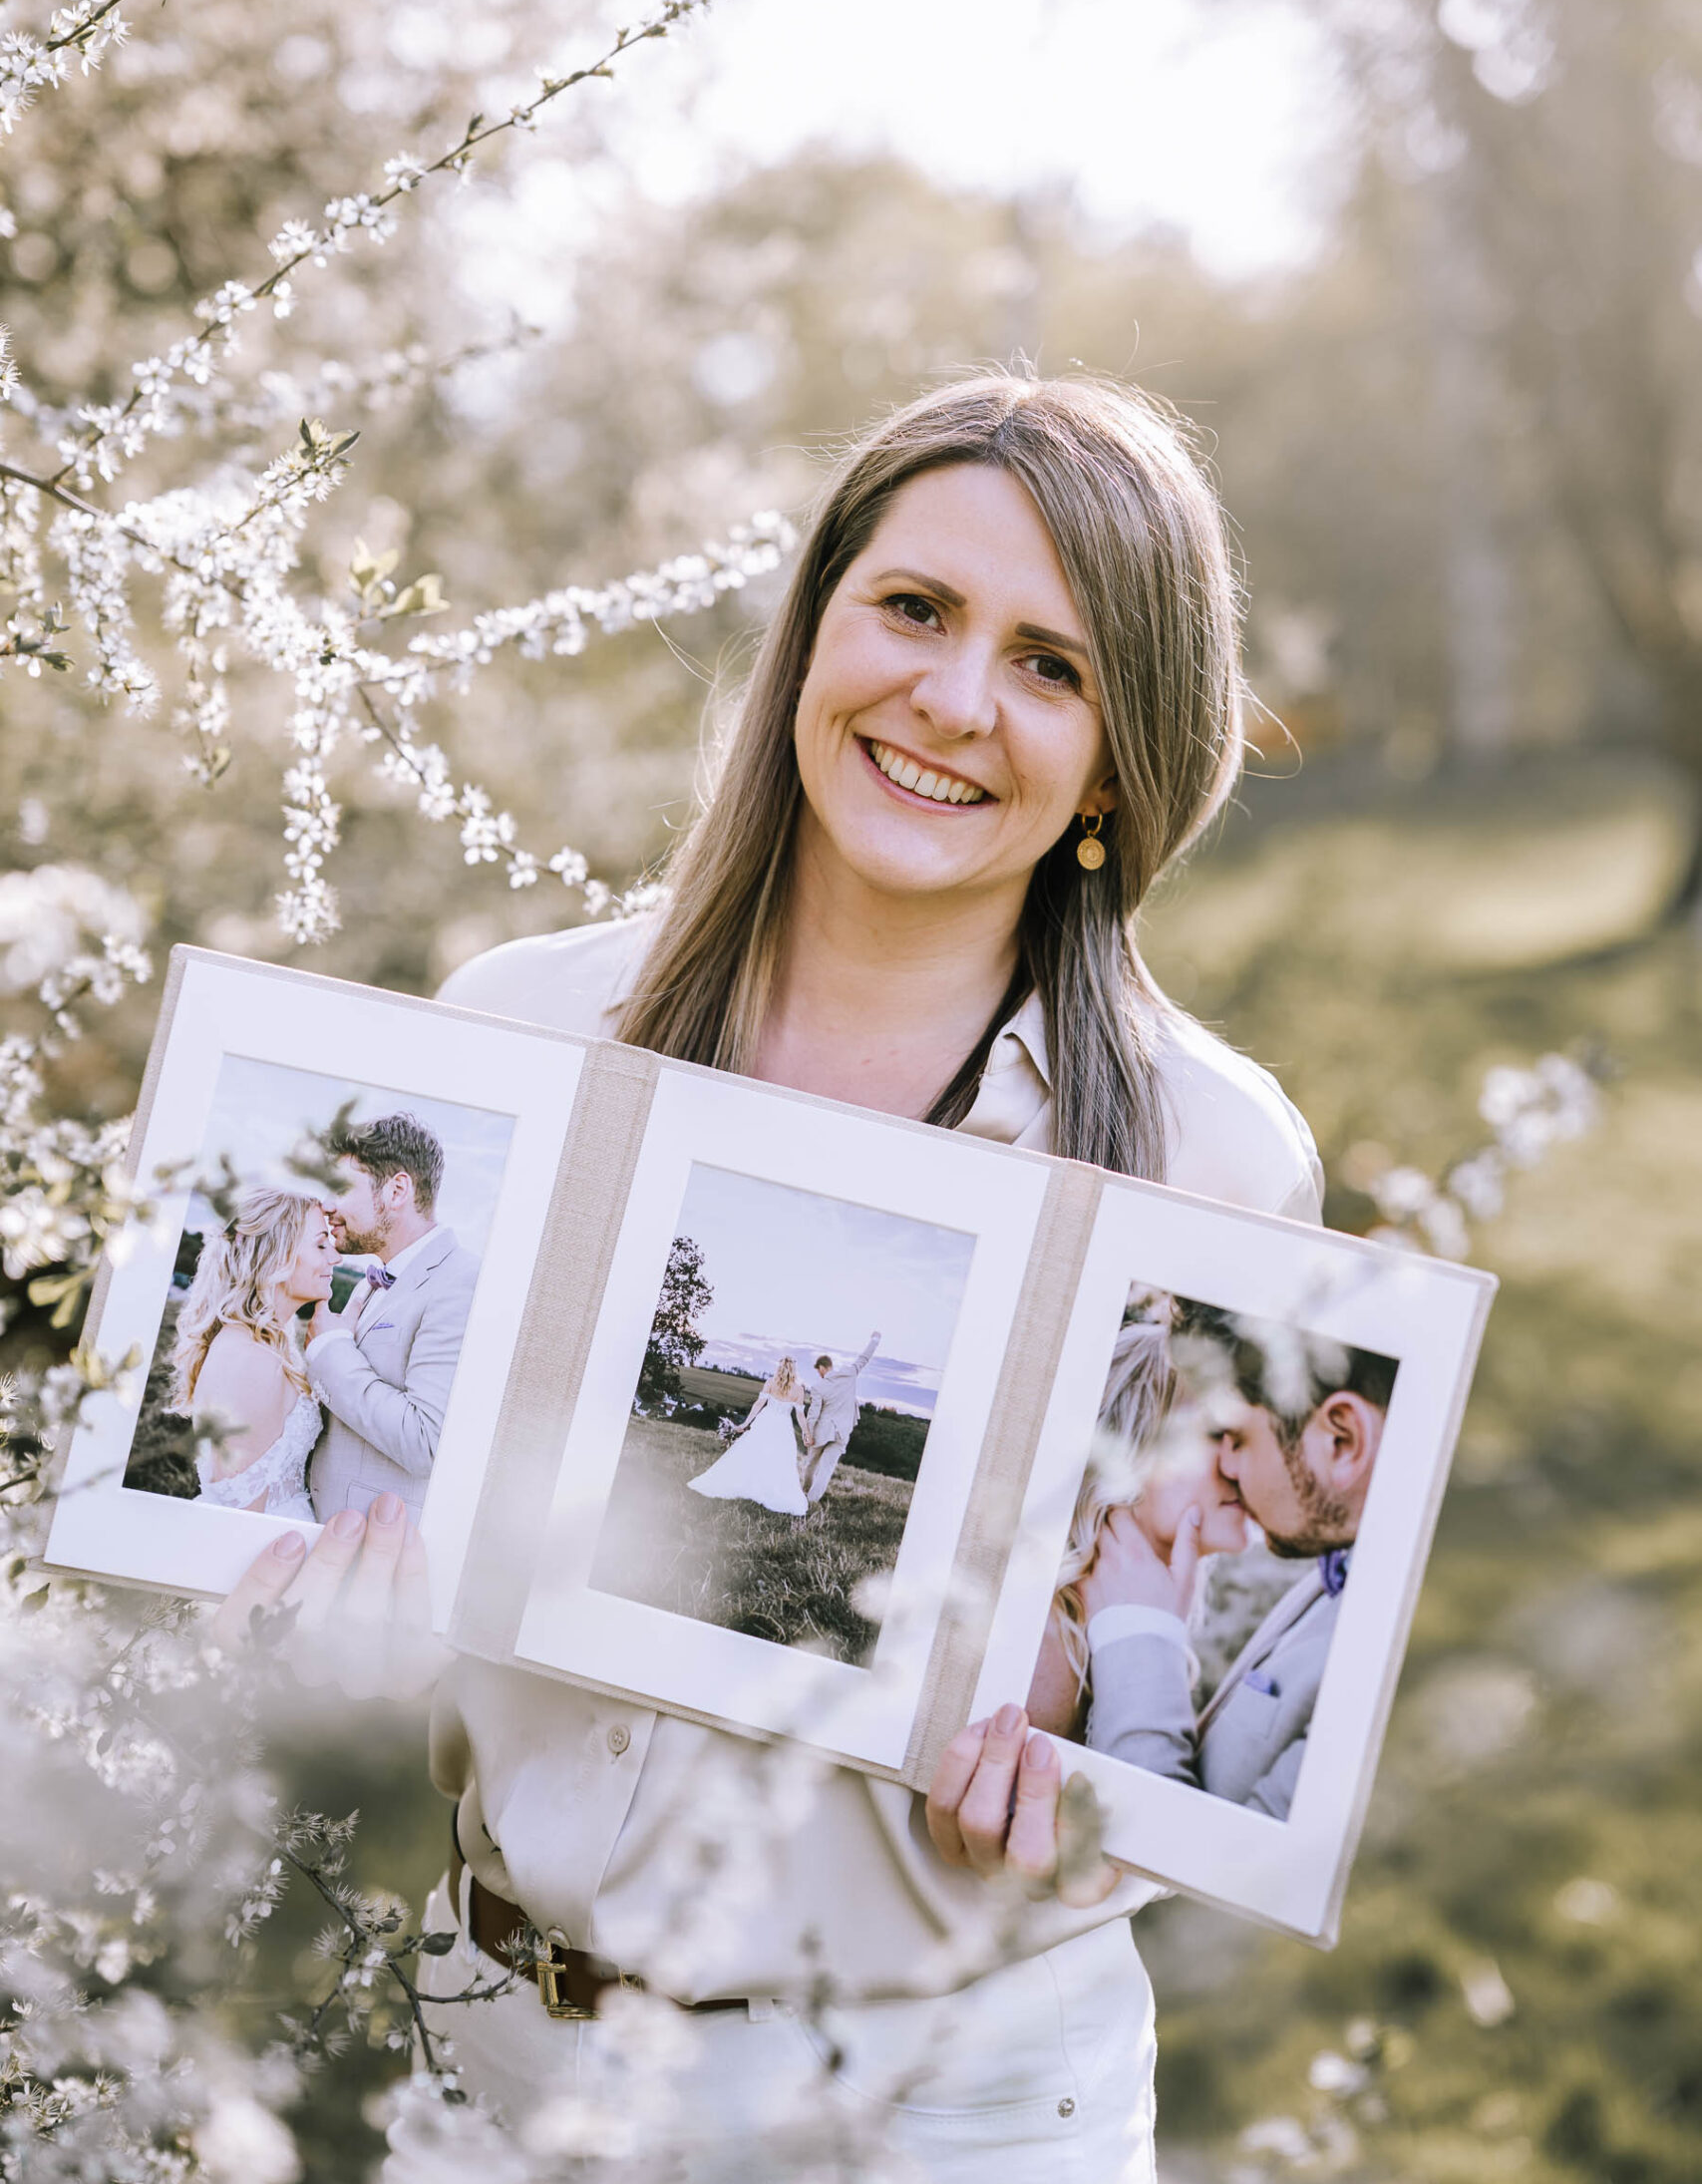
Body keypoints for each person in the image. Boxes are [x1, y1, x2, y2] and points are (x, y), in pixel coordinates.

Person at [220, 373, 1324, 2182]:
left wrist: (1075, 1809)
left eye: (1051, 664)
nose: (954, 701)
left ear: (1125, 757)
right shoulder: (516, 1031)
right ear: (812, 623)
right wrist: (326, 1615)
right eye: (915, 609)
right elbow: (379, 1535)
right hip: (498, 2067)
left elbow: (1182, 1692)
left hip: (946, 2114)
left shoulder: (1208, 1153)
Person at [1078, 1307, 1393, 1821]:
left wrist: (1138, 1637)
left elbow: (1194, 1859)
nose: (1229, 1463)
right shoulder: (1334, 1578)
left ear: (1342, 1441)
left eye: (1238, 1436)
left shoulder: (1380, 1655)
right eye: (1213, 1434)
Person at [1022, 1299, 1251, 1743]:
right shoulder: (1045, 1655)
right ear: (1134, 1445)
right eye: (1220, 1433)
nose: (1241, 1463)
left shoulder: (1099, 1626)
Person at [306, 1110, 482, 1523]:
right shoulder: (378, 1279)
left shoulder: (461, 1281)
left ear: (397, 1190)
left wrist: (331, 1350)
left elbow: (426, 1441)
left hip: (375, 1547)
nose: (327, 1205)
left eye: (339, 1187)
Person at [171, 1190, 332, 1520]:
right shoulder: (251, 1359)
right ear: (279, 1256)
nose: (336, 1257)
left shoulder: (266, 1345)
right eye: (320, 1244)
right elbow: (244, 1520)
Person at [686, 1356, 810, 1515]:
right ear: (794, 1370)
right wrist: (806, 1432)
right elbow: (800, 1415)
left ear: (780, 1368)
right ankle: (767, 1488)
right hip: (782, 1427)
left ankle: (753, 1484)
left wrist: (745, 1424)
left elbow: (759, 1404)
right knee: (779, 1460)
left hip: (765, 1422)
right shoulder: (799, 1390)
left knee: (754, 1453)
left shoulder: (770, 1382)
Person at [798, 1330, 879, 1506]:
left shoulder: (818, 1387)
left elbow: (813, 1414)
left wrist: (808, 1434)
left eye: (818, 1371)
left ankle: (804, 1493)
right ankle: (811, 1502)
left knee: (811, 1464)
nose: (819, 1374)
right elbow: (865, 1357)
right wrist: (875, 1339)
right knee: (826, 1470)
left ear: (821, 1368)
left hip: (821, 1432)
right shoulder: (849, 1373)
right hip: (842, 1432)